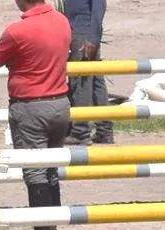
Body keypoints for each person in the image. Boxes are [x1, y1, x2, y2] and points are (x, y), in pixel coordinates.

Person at [0, 0, 72, 230]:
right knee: (50, 171)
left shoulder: (17, 31)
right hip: (60, 103)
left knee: (35, 174)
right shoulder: (61, 21)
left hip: (30, 107)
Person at [62, 0, 111, 146]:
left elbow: (99, 5)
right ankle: (104, 130)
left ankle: (80, 131)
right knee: (96, 81)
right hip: (83, 31)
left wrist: (93, 37)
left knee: (81, 82)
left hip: (83, 33)